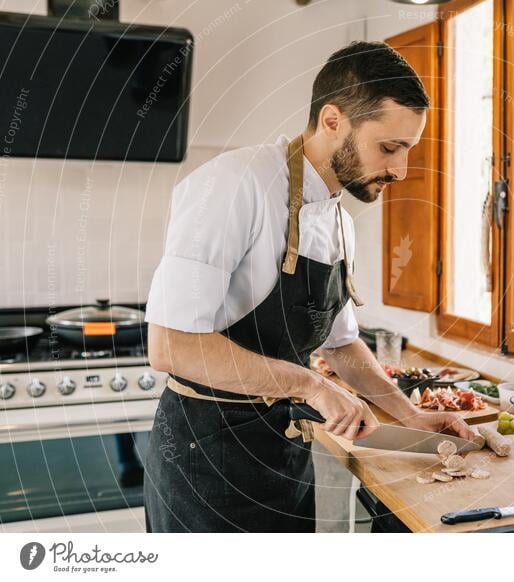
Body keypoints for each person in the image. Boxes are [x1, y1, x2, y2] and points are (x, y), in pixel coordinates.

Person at [142, 41, 475, 532]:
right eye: (389, 148)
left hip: (285, 454)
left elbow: (341, 346)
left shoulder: (341, 221)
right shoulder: (235, 185)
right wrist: (309, 385)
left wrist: (408, 415)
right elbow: (170, 347)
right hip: (203, 460)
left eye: (407, 151)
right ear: (333, 120)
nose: (400, 171)